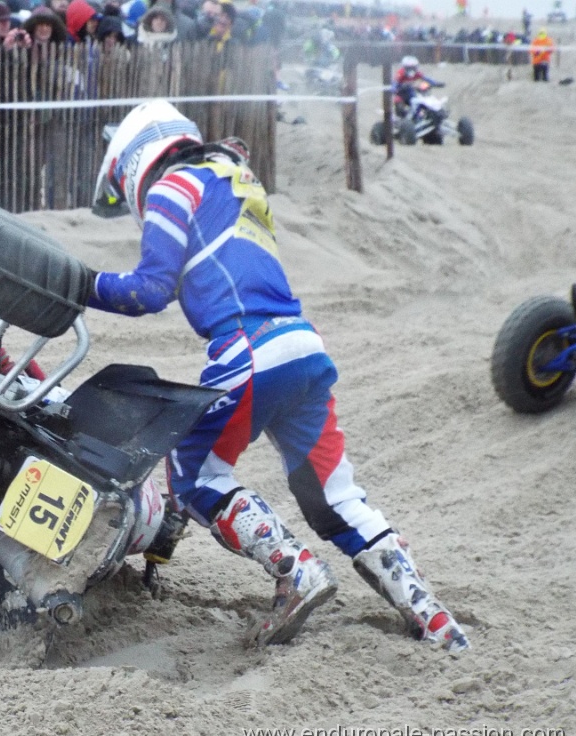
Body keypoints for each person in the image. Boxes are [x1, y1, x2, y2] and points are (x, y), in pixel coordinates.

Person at [87, 100, 470, 652]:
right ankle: (433, 618)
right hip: (302, 345)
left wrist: (79, 283)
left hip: (247, 349)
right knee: (335, 498)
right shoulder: (233, 179)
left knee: (192, 478)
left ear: (135, 160)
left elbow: (148, 290)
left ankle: (296, 571)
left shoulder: (173, 188)